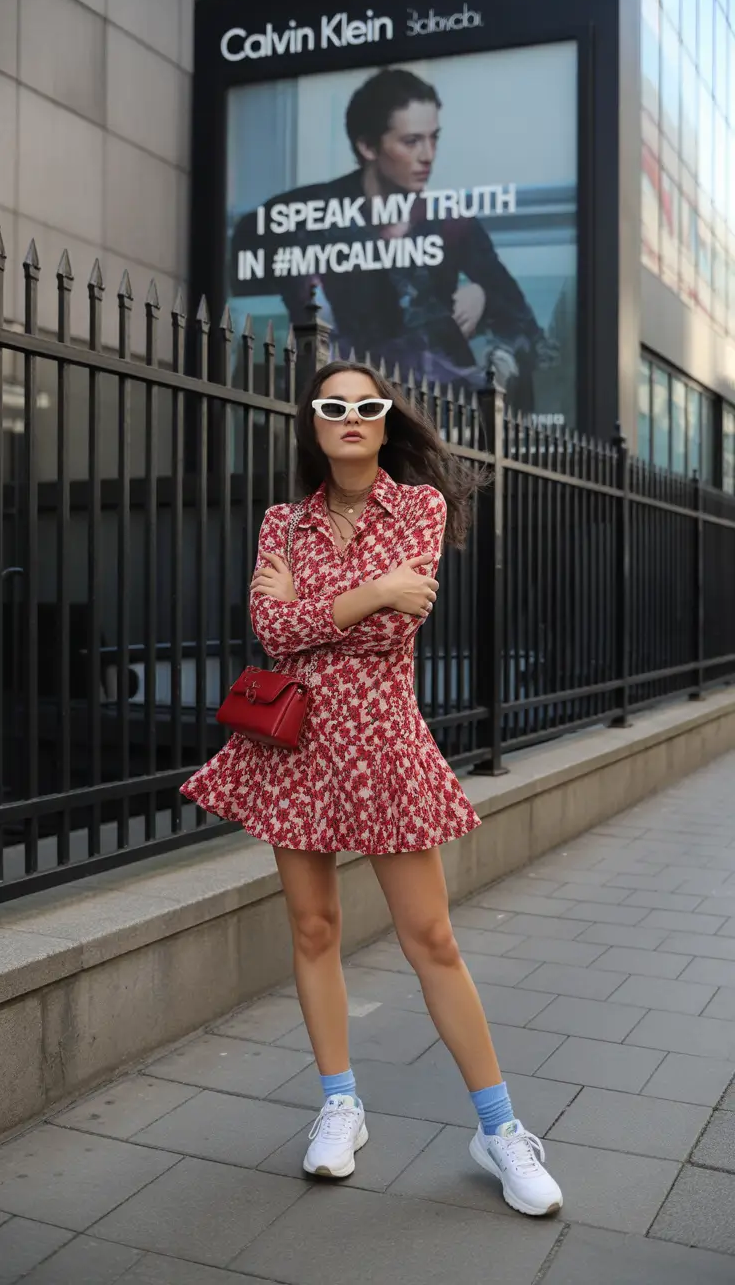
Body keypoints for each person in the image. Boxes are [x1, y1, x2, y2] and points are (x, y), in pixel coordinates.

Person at [181, 359, 563, 1217]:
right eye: (333, 406)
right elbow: (272, 630)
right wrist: (370, 593)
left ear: (386, 423)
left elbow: (401, 620)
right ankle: (339, 1104)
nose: (350, 416)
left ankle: (499, 1129)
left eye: (366, 406)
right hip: (298, 745)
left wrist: (341, 608)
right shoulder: (282, 522)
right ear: (312, 424)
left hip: (384, 741)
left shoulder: (419, 507)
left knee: (431, 936)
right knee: (313, 927)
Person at [230, 69, 556, 399]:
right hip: (332, 403)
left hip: (433, 411)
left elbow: (526, 328)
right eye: (411, 141)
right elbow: (244, 307)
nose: (428, 156)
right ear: (368, 146)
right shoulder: (299, 216)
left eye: (434, 138)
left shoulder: (452, 223)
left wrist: (483, 298)